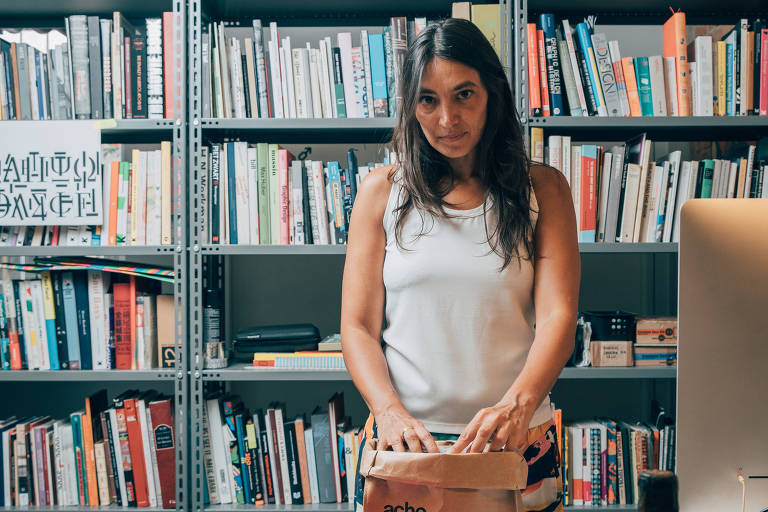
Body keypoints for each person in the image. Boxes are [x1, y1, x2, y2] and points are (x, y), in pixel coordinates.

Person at [340, 17, 579, 512]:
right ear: (412, 106)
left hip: (517, 441)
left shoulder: (545, 189)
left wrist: (518, 405)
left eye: (463, 94)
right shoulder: (379, 193)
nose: (447, 118)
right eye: (428, 99)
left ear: (492, 93)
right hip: (406, 445)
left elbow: (558, 317)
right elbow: (358, 327)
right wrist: (387, 412)